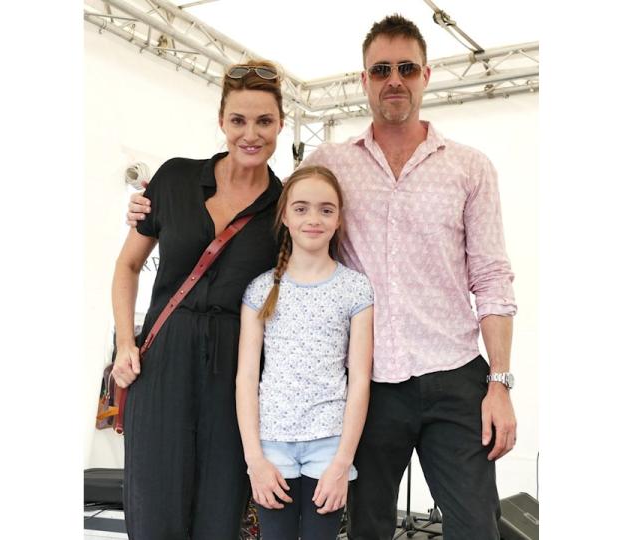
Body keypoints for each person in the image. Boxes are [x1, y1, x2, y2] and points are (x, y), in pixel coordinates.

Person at [128, 14, 519, 539]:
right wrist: (146, 209)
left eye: (406, 68)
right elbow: (283, 221)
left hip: (453, 374)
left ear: (427, 74)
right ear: (364, 80)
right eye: (381, 69)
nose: (394, 80)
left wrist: (499, 383)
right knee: (367, 529)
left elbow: (493, 278)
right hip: (374, 384)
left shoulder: (471, 168)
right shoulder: (332, 162)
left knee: (477, 527)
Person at [110, 60, 287, 539]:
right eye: (239, 120)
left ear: (281, 124)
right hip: (163, 360)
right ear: (222, 121)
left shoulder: (286, 205)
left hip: (237, 370)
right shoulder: (174, 179)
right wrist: (126, 343)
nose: (251, 134)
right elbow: (127, 266)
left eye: (264, 121)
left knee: (219, 515)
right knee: (153, 511)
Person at [236, 166, 374, 540]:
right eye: (301, 208)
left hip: (330, 447)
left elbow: (360, 378)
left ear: (338, 219)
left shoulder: (356, 289)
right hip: (271, 446)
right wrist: (254, 461)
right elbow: (246, 377)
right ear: (285, 216)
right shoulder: (260, 288)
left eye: (326, 210)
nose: (313, 218)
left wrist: (342, 463)